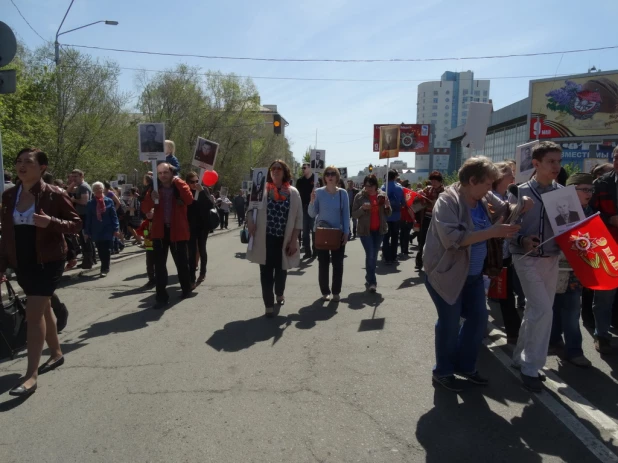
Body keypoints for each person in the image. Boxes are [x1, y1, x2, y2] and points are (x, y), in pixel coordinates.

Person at [424, 157, 526, 392]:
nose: (491, 189)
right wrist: (491, 232)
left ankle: (465, 366)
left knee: (478, 321)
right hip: (447, 274)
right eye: (488, 184)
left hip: (474, 275)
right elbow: (454, 239)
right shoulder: (447, 201)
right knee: (449, 324)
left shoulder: (482, 196)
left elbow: (504, 210)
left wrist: (520, 205)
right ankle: (443, 371)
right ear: (472, 180)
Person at [0, 148, 82, 397]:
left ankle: (30, 376)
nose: (21, 166)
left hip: (49, 261)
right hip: (21, 262)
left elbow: (77, 224)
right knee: (44, 308)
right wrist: (2, 266)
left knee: (34, 313)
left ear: (42, 168)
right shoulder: (9, 195)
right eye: (19, 161)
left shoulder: (53, 194)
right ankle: (56, 354)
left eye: (28, 162)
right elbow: (6, 236)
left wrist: (52, 223)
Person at [510, 141, 564, 392]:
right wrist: (522, 239)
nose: (557, 166)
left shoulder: (563, 193)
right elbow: (507, 229)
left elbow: (569, 228)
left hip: (552, 259)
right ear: (536, 164)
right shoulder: (518, 192)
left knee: (537, 308)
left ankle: (519, 356)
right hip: (525, 258)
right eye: (551, 161)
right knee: (544, 311)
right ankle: (532, 367)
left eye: (558, 161)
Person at [549, 173, 595, 367]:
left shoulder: (590, 210)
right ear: (570, 191)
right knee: (555, 308)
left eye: (591, 189)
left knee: (571, 309)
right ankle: (555, 341)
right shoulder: (556, 210)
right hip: (554, 267)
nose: (589, 193)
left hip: (575, 271)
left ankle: (573, 350)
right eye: (584, 189)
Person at [246, 160, 302, 317]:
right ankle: (268, 304)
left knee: (281, 272)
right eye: (273, 168)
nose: (275, 171)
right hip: (264, 239)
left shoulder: (293, 193)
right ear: (269, 172)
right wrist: (250, 221)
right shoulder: (260, 189)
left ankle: (279, 293)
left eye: (279, 168)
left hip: (283, 240)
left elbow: (298, 219)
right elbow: (250, 210)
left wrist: (293, 241)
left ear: (285, 172)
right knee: (265, 272)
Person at [141, 163, 194, 308]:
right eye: (160, 173)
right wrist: (151, 198)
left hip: (178, 231)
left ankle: (186, 289)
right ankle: (161, 297)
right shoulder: (154, 188)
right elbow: (145, 208)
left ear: (172, 173)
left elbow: (189, 200)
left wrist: (178, 181)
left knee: (182, 263)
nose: (163, 175)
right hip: (160, 232)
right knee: (159, 266)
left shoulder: (179, 185)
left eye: (166, 172)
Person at [589, 146, 618, 354]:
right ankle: (602, 336)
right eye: (616, 157)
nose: (617, 161)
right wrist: (608, 219)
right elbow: (589, 210)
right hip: (607, 246)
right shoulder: (601, 183)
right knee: (604, 296)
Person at [308, 166, 350, 301]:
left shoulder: (343, 193)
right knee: (323, 263)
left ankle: (336, 291)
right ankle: (325, 291)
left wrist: (346, 232)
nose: (330, 176)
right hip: (322, 233)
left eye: (333, 174)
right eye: (327, 174)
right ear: (324, 177)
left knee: (338, 264)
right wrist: (312, 201)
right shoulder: (318, 192)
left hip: (338, 233)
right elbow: (312, 213)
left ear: (337, 177)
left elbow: (346, 214)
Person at [492, 162, 521, 344]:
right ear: (500, 177)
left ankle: (513, 332)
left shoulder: (507, 196)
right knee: (502, 294)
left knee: (506, 294)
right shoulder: (490, 198)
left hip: (504, 253)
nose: (513, 177)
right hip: (490, 255)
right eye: (510, 174)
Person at [352, 174, 392, 292]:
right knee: (371, 254)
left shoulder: (382, 195)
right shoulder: (359, 196)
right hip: (365, 231)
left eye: (371, 186)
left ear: (376, 185)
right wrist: (362, 209)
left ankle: (369, 276)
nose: (368, 188)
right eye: (366, 185)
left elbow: (388, 214)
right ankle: (372, 281)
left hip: (379, 230)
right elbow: (354, 214)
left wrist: (387, 206)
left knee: (373, 255)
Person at [84, 182, 120, 278]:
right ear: (93, 191)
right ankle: (104, 265)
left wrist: (116, 228)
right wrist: (87, 232)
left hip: (108, 229)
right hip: (96, 230)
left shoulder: (109, 201)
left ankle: (104, 268)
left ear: (103, 189)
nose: (98, 190)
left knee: (106, 249)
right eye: (95, 189)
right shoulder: (90, 203)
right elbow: (88, 219)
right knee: (100, 249)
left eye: (99, 188)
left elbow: (114, 216)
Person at [185, 171, 214, 285]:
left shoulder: (204, 190)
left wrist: (201, 191)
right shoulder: (186, 192)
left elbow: (210, 205)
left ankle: (203, 272)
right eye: (192, 182)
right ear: (187, 182)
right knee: (191, 251)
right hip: (190, 225)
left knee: (202, 248)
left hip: (203, 226)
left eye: (197, 181)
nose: (195, 184)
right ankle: (192, 277)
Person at [415, 171, 444, 270]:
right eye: (432, 180)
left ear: (440, 181)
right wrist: (420, 195)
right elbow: (418, 197)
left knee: (437, 242)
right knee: (423, 240)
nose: (434, 183)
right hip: (426, 218)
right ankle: (419, 262)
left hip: (439, 220)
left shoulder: (445, 191)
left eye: (436, 180)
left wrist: (434, 203)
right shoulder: (428, 189)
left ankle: (435, 263)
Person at [67, 169, 96, 269]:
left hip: (85, 216)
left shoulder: (83, 187)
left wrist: (74, 200)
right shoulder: (79, 186)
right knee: (84, 238)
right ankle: (90, 259)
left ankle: (88, 261)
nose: (74, 179)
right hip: (81, 215)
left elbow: (85, 202)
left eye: (76, 177)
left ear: (81, 176)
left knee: (85, 238)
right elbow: (67, 192)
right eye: (73, 176)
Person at [381, 169, 405, 265]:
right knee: (395, 237)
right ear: (395, 177)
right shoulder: (399, 188)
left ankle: (386, 257)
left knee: (386, 237)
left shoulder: (383, 188)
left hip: (386, 216)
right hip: (396, 216)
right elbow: (403, 202)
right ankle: (394, 256)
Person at [295, 163, 316, 258]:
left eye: (304, 168)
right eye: (302, 168)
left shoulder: (315, 180)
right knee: (305, 231)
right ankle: (308, 251)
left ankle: (316, 250)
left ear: (310, 169)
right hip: (303, 208)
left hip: (313, 207)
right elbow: (297, 195)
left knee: (314, 229)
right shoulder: (300, 181)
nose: (303, 169)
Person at [135, 209, 156, 287]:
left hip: (157, 246)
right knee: (149, 264)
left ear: (154, 212)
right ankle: (151, 279)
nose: (148, 214)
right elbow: (139, 231)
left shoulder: (157, 221)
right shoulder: (145, 223)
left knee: (158, 264)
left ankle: (158, 278)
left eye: (150, 212)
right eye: (147, 212)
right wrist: (145, 233)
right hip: (149, 246)